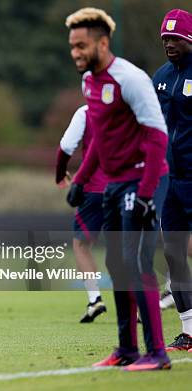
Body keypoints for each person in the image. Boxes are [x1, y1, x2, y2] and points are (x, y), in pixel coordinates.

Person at [66, 7, 171, 370]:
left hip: (144, 178)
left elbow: (158, 136)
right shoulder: (88, 82)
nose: (76, 52)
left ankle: (157, 353)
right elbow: (98, 141)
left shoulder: (131, 79)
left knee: (136, 260)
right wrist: (80, 180)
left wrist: (145, 193)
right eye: (72, 47)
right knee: (115, 263)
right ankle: (127, 350)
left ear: (103, 42)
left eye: (82, 45)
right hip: (113, 183)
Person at [152, 8, 192, 352]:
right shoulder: (161, 77)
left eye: (175, 37)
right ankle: (189, 329)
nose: (169, 43)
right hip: (170, 180)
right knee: (173, 251)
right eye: (165, 37)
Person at [56, 105, 108, 323]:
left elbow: (66, 146)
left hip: (94, 190)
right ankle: (139, 307)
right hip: (128, 187)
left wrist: (60, 174)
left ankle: (94, 298)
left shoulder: (86, 112)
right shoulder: (131, 109)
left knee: (81, 244)